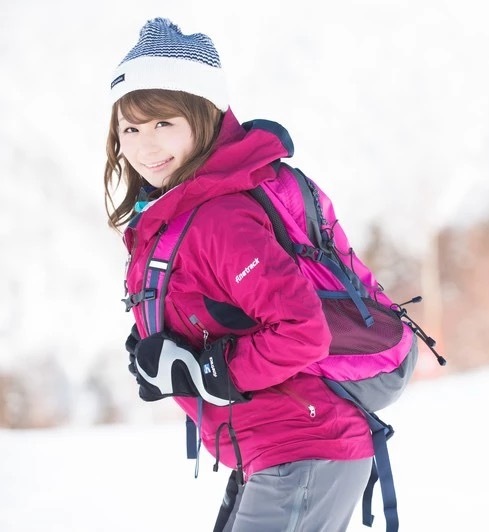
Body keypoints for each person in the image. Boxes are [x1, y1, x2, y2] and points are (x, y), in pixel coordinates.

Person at [103, 18, 375, 532]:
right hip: (280, 451)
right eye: (131, 128)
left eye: (164, 123)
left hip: (304, 451)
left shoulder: (218, 217)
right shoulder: (177, 211)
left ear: (203, 117)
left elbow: (303, 333)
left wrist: (209, 372)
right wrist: (159, 353)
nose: (143, 145)